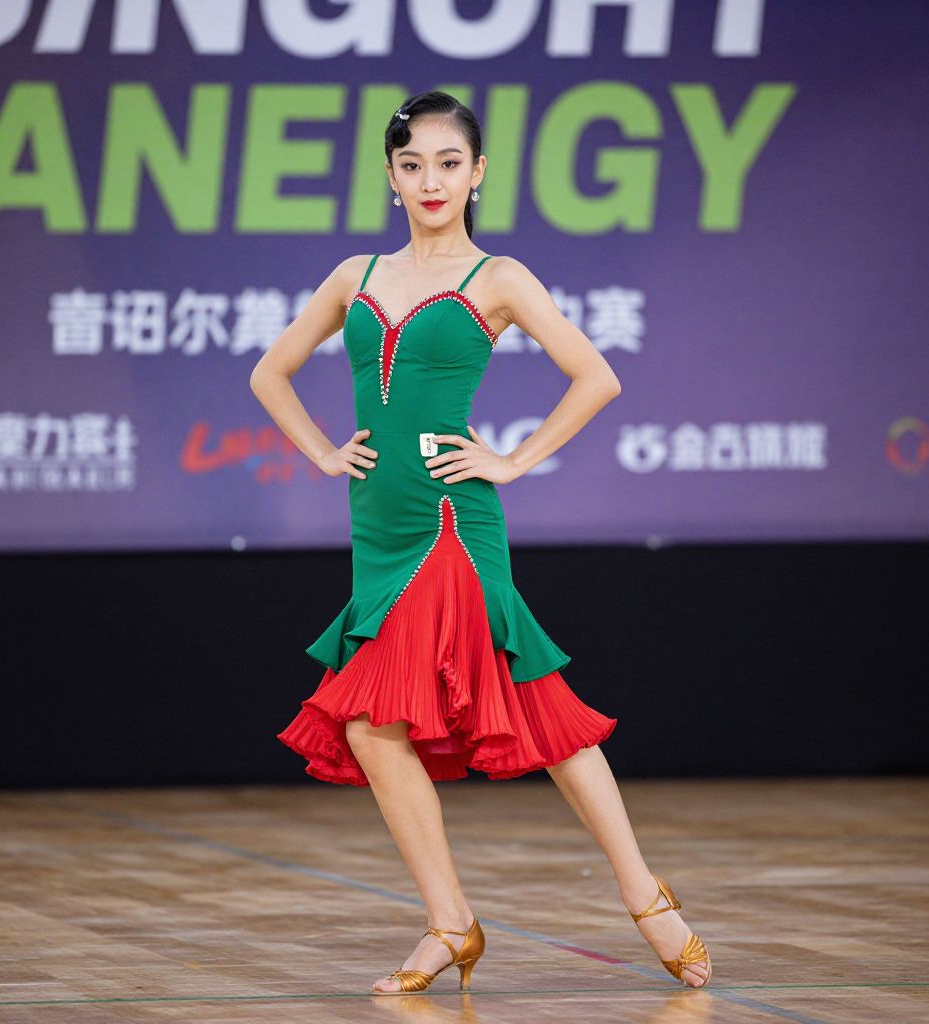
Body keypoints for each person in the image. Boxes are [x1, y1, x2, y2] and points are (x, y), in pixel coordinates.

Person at [250, 90, 711, 995]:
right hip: (378, 529)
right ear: (391, 177)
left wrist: (513, 460)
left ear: (478, 173)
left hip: (452, 525)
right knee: (417, 724)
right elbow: (271, 372)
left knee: (461, 712)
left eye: (449, 163)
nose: (431, 180)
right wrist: (323, 452)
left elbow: (596, 376)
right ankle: (457, 923)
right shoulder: (355, 275)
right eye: (412, 164)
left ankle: (639, 897)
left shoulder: (497, 277)